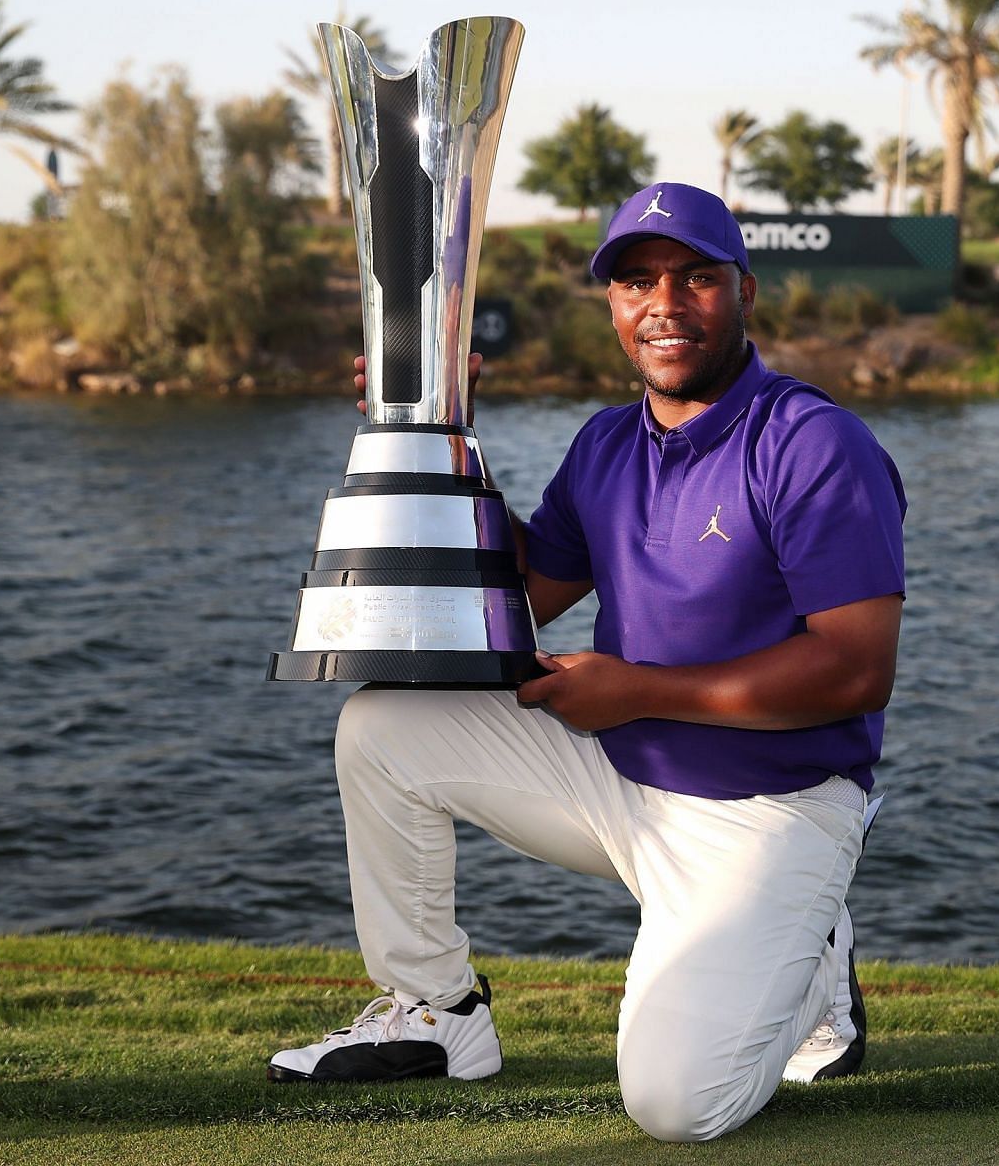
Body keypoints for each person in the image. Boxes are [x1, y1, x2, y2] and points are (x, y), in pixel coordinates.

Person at [267, 182, 907, 1143]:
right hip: (620, 780)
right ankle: (439, 1020)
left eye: (696, 277)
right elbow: (515, 601)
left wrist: (636, 692)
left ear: (745, 290)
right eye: (637, 281)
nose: (665, 303)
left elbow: (857, 672)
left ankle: (809, 945)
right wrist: (433, 428)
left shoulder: (814, 443)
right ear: (611, 304)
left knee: (676, 1107)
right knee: (382, 726)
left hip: (774, 806)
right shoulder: (609, 443)